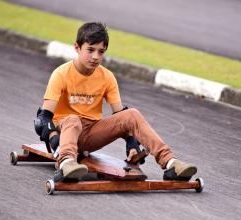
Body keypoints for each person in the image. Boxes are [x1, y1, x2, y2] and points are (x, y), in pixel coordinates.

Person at [34, 22, 197, 181]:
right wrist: (56, 142)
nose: (96, 57)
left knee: (131, 114)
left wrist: (132, 143)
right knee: (73, 120)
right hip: (65, 131)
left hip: (91, 133)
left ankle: (170, 163)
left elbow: (121, 117)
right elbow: (43, 119)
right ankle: (67, 164)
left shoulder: (107, 77)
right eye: (90, 50)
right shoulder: (61, 74)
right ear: (77, 47)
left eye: (101, 51)